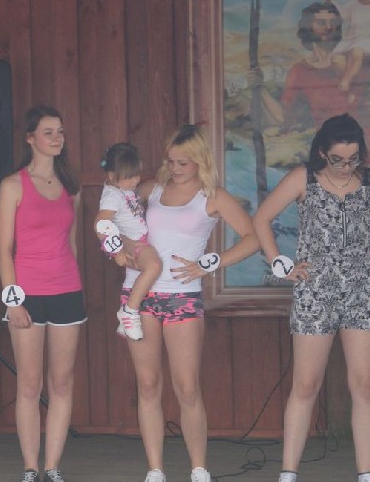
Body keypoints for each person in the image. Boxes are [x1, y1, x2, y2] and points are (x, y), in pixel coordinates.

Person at [253, 113, 370, 482]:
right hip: (315, 289)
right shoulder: (302, 178)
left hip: (364, 288)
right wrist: (281, 264)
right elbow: (261, 218)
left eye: (353, 158)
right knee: (305, 385)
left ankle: (366, 473)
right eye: (338, 159)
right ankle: (289, 472)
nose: (346, 166)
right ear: (322, 152)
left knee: (364, 385)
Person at [114, 124, 260, 482]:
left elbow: (252, 238)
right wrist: (120, 248)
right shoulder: (151, 189)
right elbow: (112, 211)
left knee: (187, 387)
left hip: (182, 296)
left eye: (184, 162)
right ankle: (155, 469)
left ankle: (198, 467)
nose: (176, 168)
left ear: (200, 161)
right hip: (139, 294)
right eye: (171, 161)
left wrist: (210, 263)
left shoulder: (212, 196)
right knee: (148, 385)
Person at [0, 105, 83, 482]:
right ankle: (31, 468)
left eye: (60, 131)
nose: (57, 138)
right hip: (27, 294)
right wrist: (13, 301)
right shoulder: (13, 185)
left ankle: (53, 467)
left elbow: (72, 243)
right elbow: (4, 249)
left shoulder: (71, 186)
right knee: (30, 384)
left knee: (61, 383)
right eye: (48, 132)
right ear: (30, 138)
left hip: (67, 291)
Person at [255, 0, 370, 174]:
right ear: (307, 27)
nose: (329, 27)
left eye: (333, 23)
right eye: (321, 23)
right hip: (330, 154)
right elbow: (285, 117)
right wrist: (259, 89)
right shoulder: (300, 72)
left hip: (368, 148)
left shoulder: (354, 59)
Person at [95, 142, 163, 341]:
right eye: (129, 176)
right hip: (135, 243)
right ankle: (129, 312)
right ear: (111, 176)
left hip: (139, 239)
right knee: (154, 266)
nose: (135, 180)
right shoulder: (112, 196)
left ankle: (125, 319)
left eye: (136, 174)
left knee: (137, 278)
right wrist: (116, 251)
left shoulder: (123, 189)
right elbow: (100, 224)